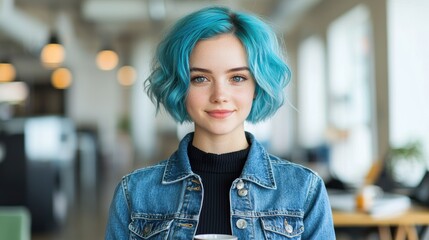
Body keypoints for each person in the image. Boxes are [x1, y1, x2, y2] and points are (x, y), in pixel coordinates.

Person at [105, 6, 335, 239]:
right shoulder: (134, 193)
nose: (219, 95)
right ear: (179, 86)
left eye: (237, 78)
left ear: (257, 86)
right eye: (200, 78)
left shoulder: (305, 190)